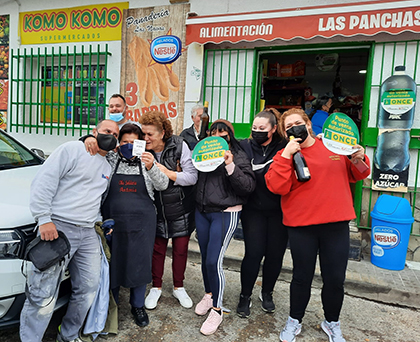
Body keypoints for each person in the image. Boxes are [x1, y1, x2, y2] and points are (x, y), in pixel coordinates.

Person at [265, 108, 370, 342]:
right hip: (302, 226)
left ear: (309, 124)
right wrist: (286, 156)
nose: (295, 128)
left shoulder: (333, 146)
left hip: (336, 225)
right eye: (288, 127)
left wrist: (360, 158)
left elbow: (360, 174)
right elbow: (276, 186)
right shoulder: (284, 154)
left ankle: (331, 322)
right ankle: (295, 320)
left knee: (334, 279)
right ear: (284, 133)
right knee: (302, 277)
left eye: (298, 123)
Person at [20, 120, 119, 342]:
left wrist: (100, 223)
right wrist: (44, 219)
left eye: (115, 134)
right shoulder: (72, 149)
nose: (110, 136)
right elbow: (44, 181)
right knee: (42, 293)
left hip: (88, 233)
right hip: (58, 229)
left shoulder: (107, 166)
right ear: (94, 132)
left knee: (88, 288)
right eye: (106, 132)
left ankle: (68, 335)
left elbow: (95, 198)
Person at [100, 123, 169, 327]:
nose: (128, 146)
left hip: (143, 223)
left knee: (139, 264)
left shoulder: (148, 160)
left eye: (133, 142)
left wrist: (151, 167)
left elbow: (163, 185)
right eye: (124, 142)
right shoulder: (110, 160)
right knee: (112, 263)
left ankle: (137, 305)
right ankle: (109, 304)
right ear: (118, 144)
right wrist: (88, 138)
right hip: (113, 223)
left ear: (140, 144)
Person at [194, 119, 255, 335]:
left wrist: (230, 165)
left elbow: (247, 186)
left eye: (223, 131)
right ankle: (209, 294)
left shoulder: (238, 155)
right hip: (202, 212)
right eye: (214, 131)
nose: (218, 135)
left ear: (230, 134)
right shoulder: (203, 153)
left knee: (214, 261)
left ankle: (217, 310)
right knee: (205, 259)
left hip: (225, 214)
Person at [139, 111, 198, 311]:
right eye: (143, 134)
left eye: (150, 135)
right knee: (157, 251)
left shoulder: (180, 145)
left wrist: (168, 173)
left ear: (162, 133)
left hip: (181, 208)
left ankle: (178, 287)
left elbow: (192, 177)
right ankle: (156, 287)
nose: (145, 139)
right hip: (155, 209)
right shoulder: (139, 149)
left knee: (181, 251)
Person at [237, 108, 288, 318]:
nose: (257, 132)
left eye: (262, 128)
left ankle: (267, 292)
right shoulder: (245, 146)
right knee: (254, 253)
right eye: (254, 128)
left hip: (279, 211)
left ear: (274, 129)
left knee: (275, 255)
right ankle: (245, 295)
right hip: (253, 210)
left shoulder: (284, 147)